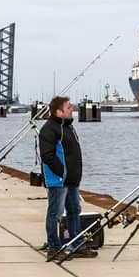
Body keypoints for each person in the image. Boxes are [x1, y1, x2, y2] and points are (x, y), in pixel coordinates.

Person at [39, 96, 97, 260]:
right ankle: (54, 248)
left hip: (72, 180)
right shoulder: (49, 129)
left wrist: (73, 174)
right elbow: (47, 156)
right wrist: (61, 172)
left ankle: (77, 245)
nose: (72, 108)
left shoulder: (69, 127)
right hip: (58, 181)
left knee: (74, 212)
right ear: (59, 112)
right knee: (55, 214)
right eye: (68, 107)